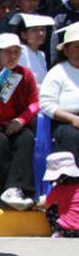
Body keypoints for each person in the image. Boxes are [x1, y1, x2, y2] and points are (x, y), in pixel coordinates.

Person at [0, 33, 39, 210]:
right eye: (8, 52)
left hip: (13, 123)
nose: (13, 56)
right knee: (0, 141)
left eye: (16, 52)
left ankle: (19, 188)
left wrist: (21, 119)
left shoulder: (24, 74)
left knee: (25, 138)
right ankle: (4, 188)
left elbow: (35, 103)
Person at [39, 22, 79, 159]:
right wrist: (73, 119)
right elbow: (46, 104)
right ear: (66, 50)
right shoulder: (57, 72)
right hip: (65, 122)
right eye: (77, 47)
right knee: (73, 136)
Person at [38, 151, 79, 237]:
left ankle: (58, 232)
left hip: (67, 230)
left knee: (51, 209)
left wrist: (35, 205)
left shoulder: (57, 189)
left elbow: (45, 206)